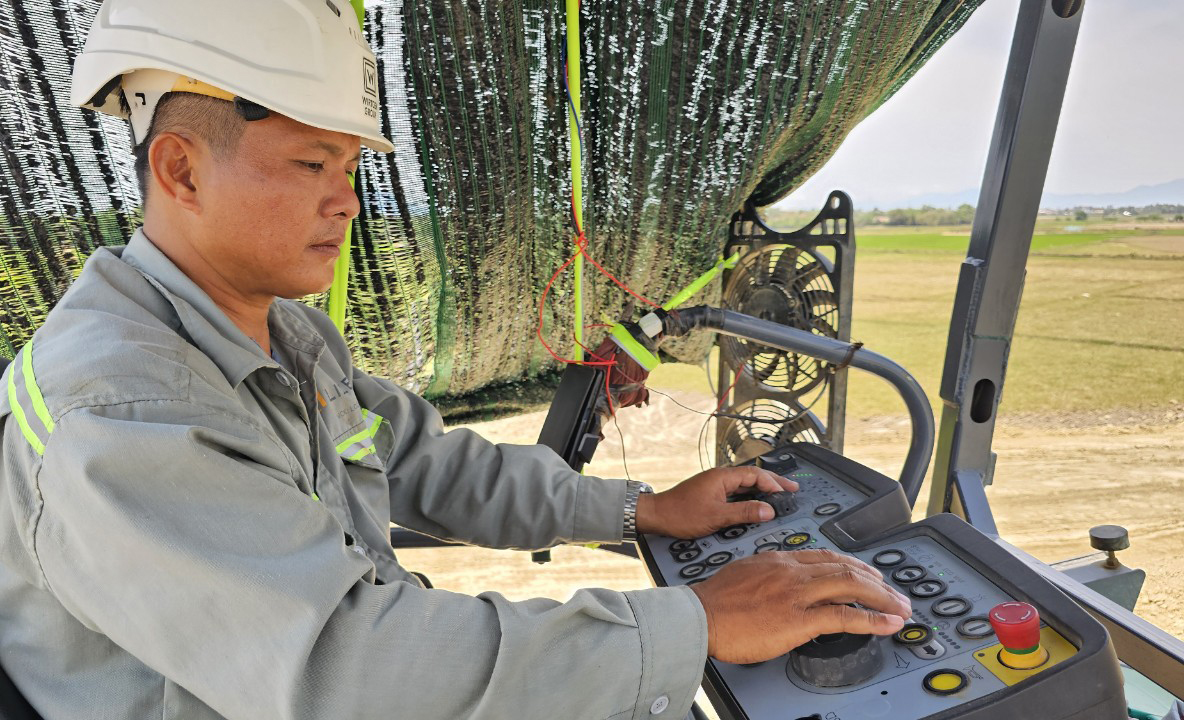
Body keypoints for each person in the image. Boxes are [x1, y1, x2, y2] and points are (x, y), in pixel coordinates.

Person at [0, 1, 911, 718]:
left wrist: (641, 510)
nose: (345, 202)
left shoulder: (280, 332)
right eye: (313, 163)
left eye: (350, 169)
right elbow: (347, 674)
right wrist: (695, 623)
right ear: (182, 171)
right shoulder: (121, 412)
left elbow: (424, 463)